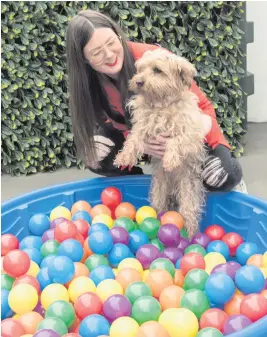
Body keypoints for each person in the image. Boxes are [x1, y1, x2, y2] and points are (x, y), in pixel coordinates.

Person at [66, 10, 247, 193]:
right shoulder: (87, 83)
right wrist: (140, 143)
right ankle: (140, 188)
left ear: (118, 35)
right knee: (98, 155)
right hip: (141, 133)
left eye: (112, 42)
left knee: (221, 174)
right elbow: (109, 121)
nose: (109, 55)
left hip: (184, 133)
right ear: (84, 60)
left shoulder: (152, 58)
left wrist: (187, 136)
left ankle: (203, 183)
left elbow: (204, 107)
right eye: (97, 52)